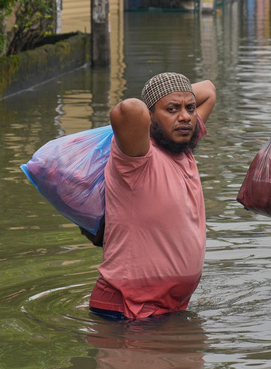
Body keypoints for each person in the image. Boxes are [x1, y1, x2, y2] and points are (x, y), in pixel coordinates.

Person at [89, 72, 217, 321]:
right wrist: (161, 93)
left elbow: (210, 90)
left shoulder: (184, 148)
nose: (185, 117)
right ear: (149, 118)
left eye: (190, 108)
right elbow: (129, 109)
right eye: (172, 109)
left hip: (169, 310)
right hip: (126, 313)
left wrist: (174, 95)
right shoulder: (137, 157)